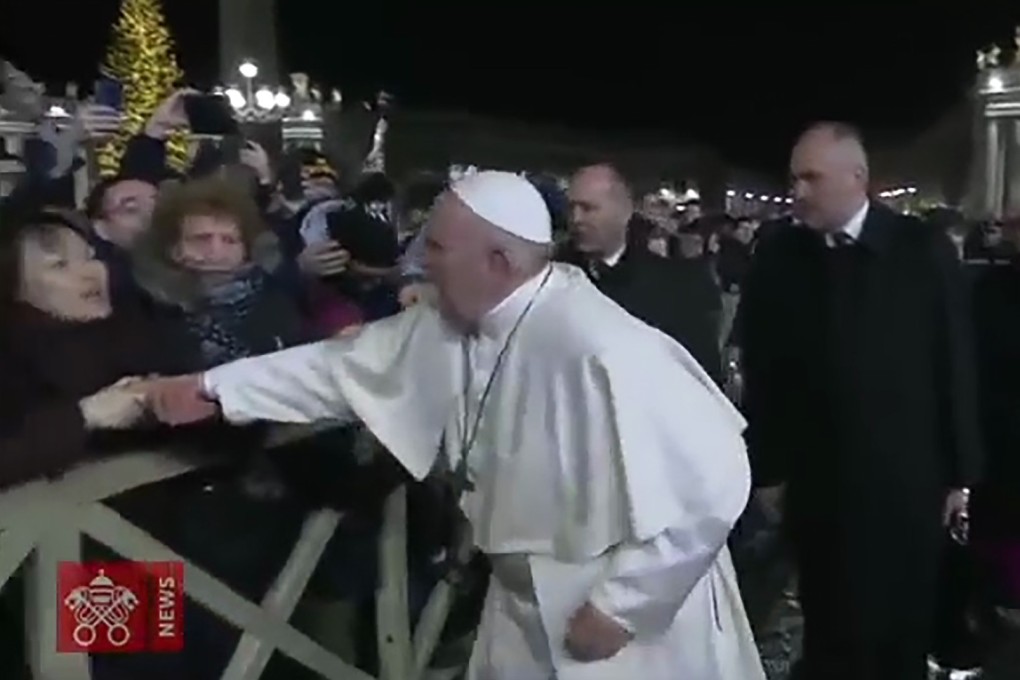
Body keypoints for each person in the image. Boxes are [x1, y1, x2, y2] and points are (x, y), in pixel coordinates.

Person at [146, 171, 764, 680]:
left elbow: (715, 479)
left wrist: (625, 606)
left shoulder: (599, 341)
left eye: (436, 249)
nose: (421, 264)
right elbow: (338, 369)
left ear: (498, 259)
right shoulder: (455, 318)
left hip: (619, 617)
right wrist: (213, 387)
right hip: (520, 601)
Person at [736, 122, 981, 680]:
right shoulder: (779, 258)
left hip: (907, 483)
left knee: (899, 628)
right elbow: (765, 373)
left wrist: (960, 475)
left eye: (810, 178)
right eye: (793, 176)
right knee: (829, 624)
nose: (796, 190)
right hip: (817, 483)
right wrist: (767, 469)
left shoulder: (922, 251)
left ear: (857, 178)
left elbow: (954, 361)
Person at [561, 163, 723, 384]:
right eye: (571, 208)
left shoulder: (679, 287)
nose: (576, 218)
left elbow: (700, 375)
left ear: (624, 211)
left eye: (588, 208)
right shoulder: (551, 277)